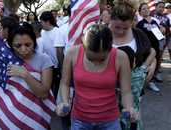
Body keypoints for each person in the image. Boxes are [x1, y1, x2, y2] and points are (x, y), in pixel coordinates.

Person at [56, 24, 137, 130]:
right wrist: (65, 102)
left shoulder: (121, 57)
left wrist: (129, 107)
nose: (96, 63)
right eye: (91, 58)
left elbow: (126, 91)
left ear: (110, 47)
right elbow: (65, 83)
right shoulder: (72, 53)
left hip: (110, 121)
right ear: (84, 45)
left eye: (102, 59)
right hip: (80, 120)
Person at [109, 1, 156, 129]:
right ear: (110, 19)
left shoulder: (138, 34)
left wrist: (147, 66)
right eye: (117, 27)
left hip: (134, 89)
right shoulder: (102, 35)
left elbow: (151, 52)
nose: (120, 31)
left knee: (132, 119)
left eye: (125, 28)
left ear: (132, 22)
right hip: (108, 91)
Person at [136, 2, 162, 92]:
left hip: (156, 46)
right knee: (146, 65)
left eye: (147, 8)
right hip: (146, 48)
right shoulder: (140, 24)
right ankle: (144, 82)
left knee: (156, 63)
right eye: (143, 9)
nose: (146, 10)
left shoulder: (154, 21)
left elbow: (159, 33)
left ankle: (151, 80)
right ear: (140, 12)